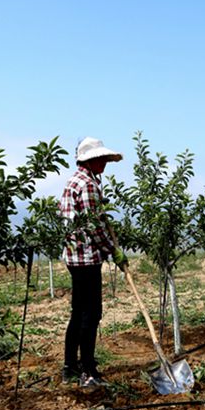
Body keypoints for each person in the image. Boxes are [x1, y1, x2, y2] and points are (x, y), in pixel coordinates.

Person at [59, 137, 128, 387]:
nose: (105, 163)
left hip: (74, 257)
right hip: (86, 258)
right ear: (90, 160)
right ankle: (88, 371)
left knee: (78, 313)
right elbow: (94, 227)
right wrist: (112, 251)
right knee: (91, 314)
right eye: (101, 159)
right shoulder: (87, 185)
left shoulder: (75, 181)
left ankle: (70, 367)